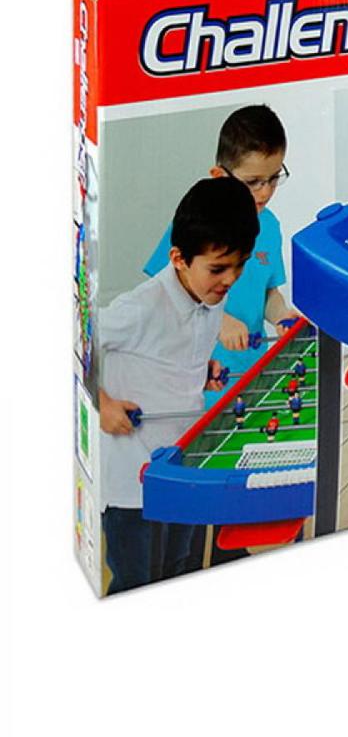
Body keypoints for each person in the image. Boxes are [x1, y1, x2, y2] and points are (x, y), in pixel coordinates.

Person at [99, 178, 258, 593]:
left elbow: (174, 349)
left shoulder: (211, 295)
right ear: (179, 259)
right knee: (137, 582)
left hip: (184, 462)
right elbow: (74, 341)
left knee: (181, 568)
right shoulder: (140, 307)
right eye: (218, 269)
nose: (230, 280)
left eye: (239, 266)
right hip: (132, 481)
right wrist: (102, 404)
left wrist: (201, 368)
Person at [144, 105, 297, 395]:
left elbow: (267, 293)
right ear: (219, 176)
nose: (265, 191)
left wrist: (282, 315)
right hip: (200, 383)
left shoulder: (270, 226)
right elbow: (161, 297)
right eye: (253, 182)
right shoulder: (195, 222)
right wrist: (218, 323)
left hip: (253, 375)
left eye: (274, 178)